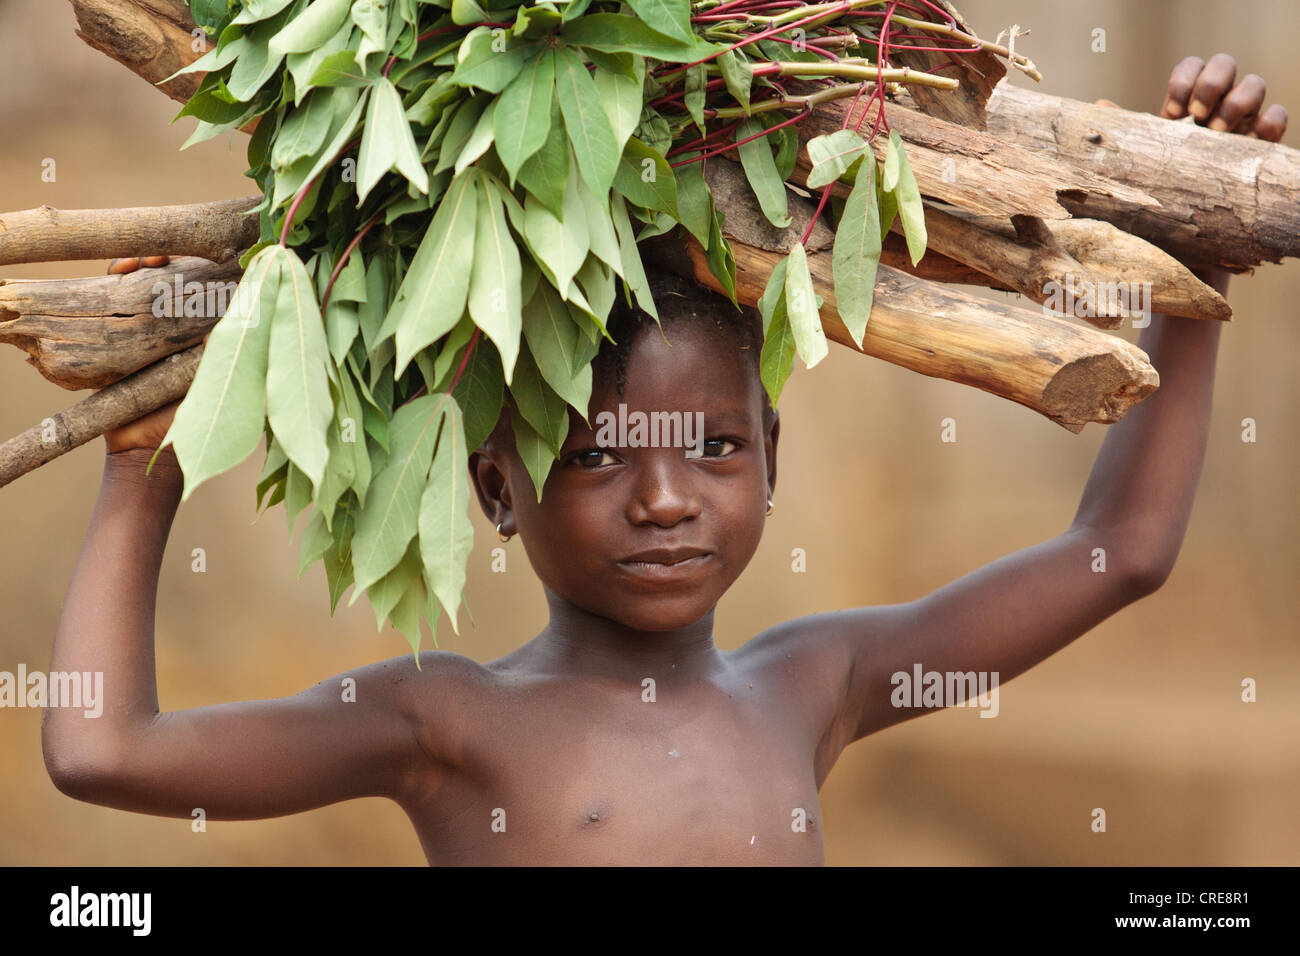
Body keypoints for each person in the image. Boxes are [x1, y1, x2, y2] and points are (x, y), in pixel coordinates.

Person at [42, 56, 1287, 865]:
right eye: (595, 456)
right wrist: (143, 453)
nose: (664, 496)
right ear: (491, 486)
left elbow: (1119, 552)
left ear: (772, 458)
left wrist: (1194, 268)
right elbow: (106, 751)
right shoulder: (452, 721)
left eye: (717, 446)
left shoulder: (815, 685)